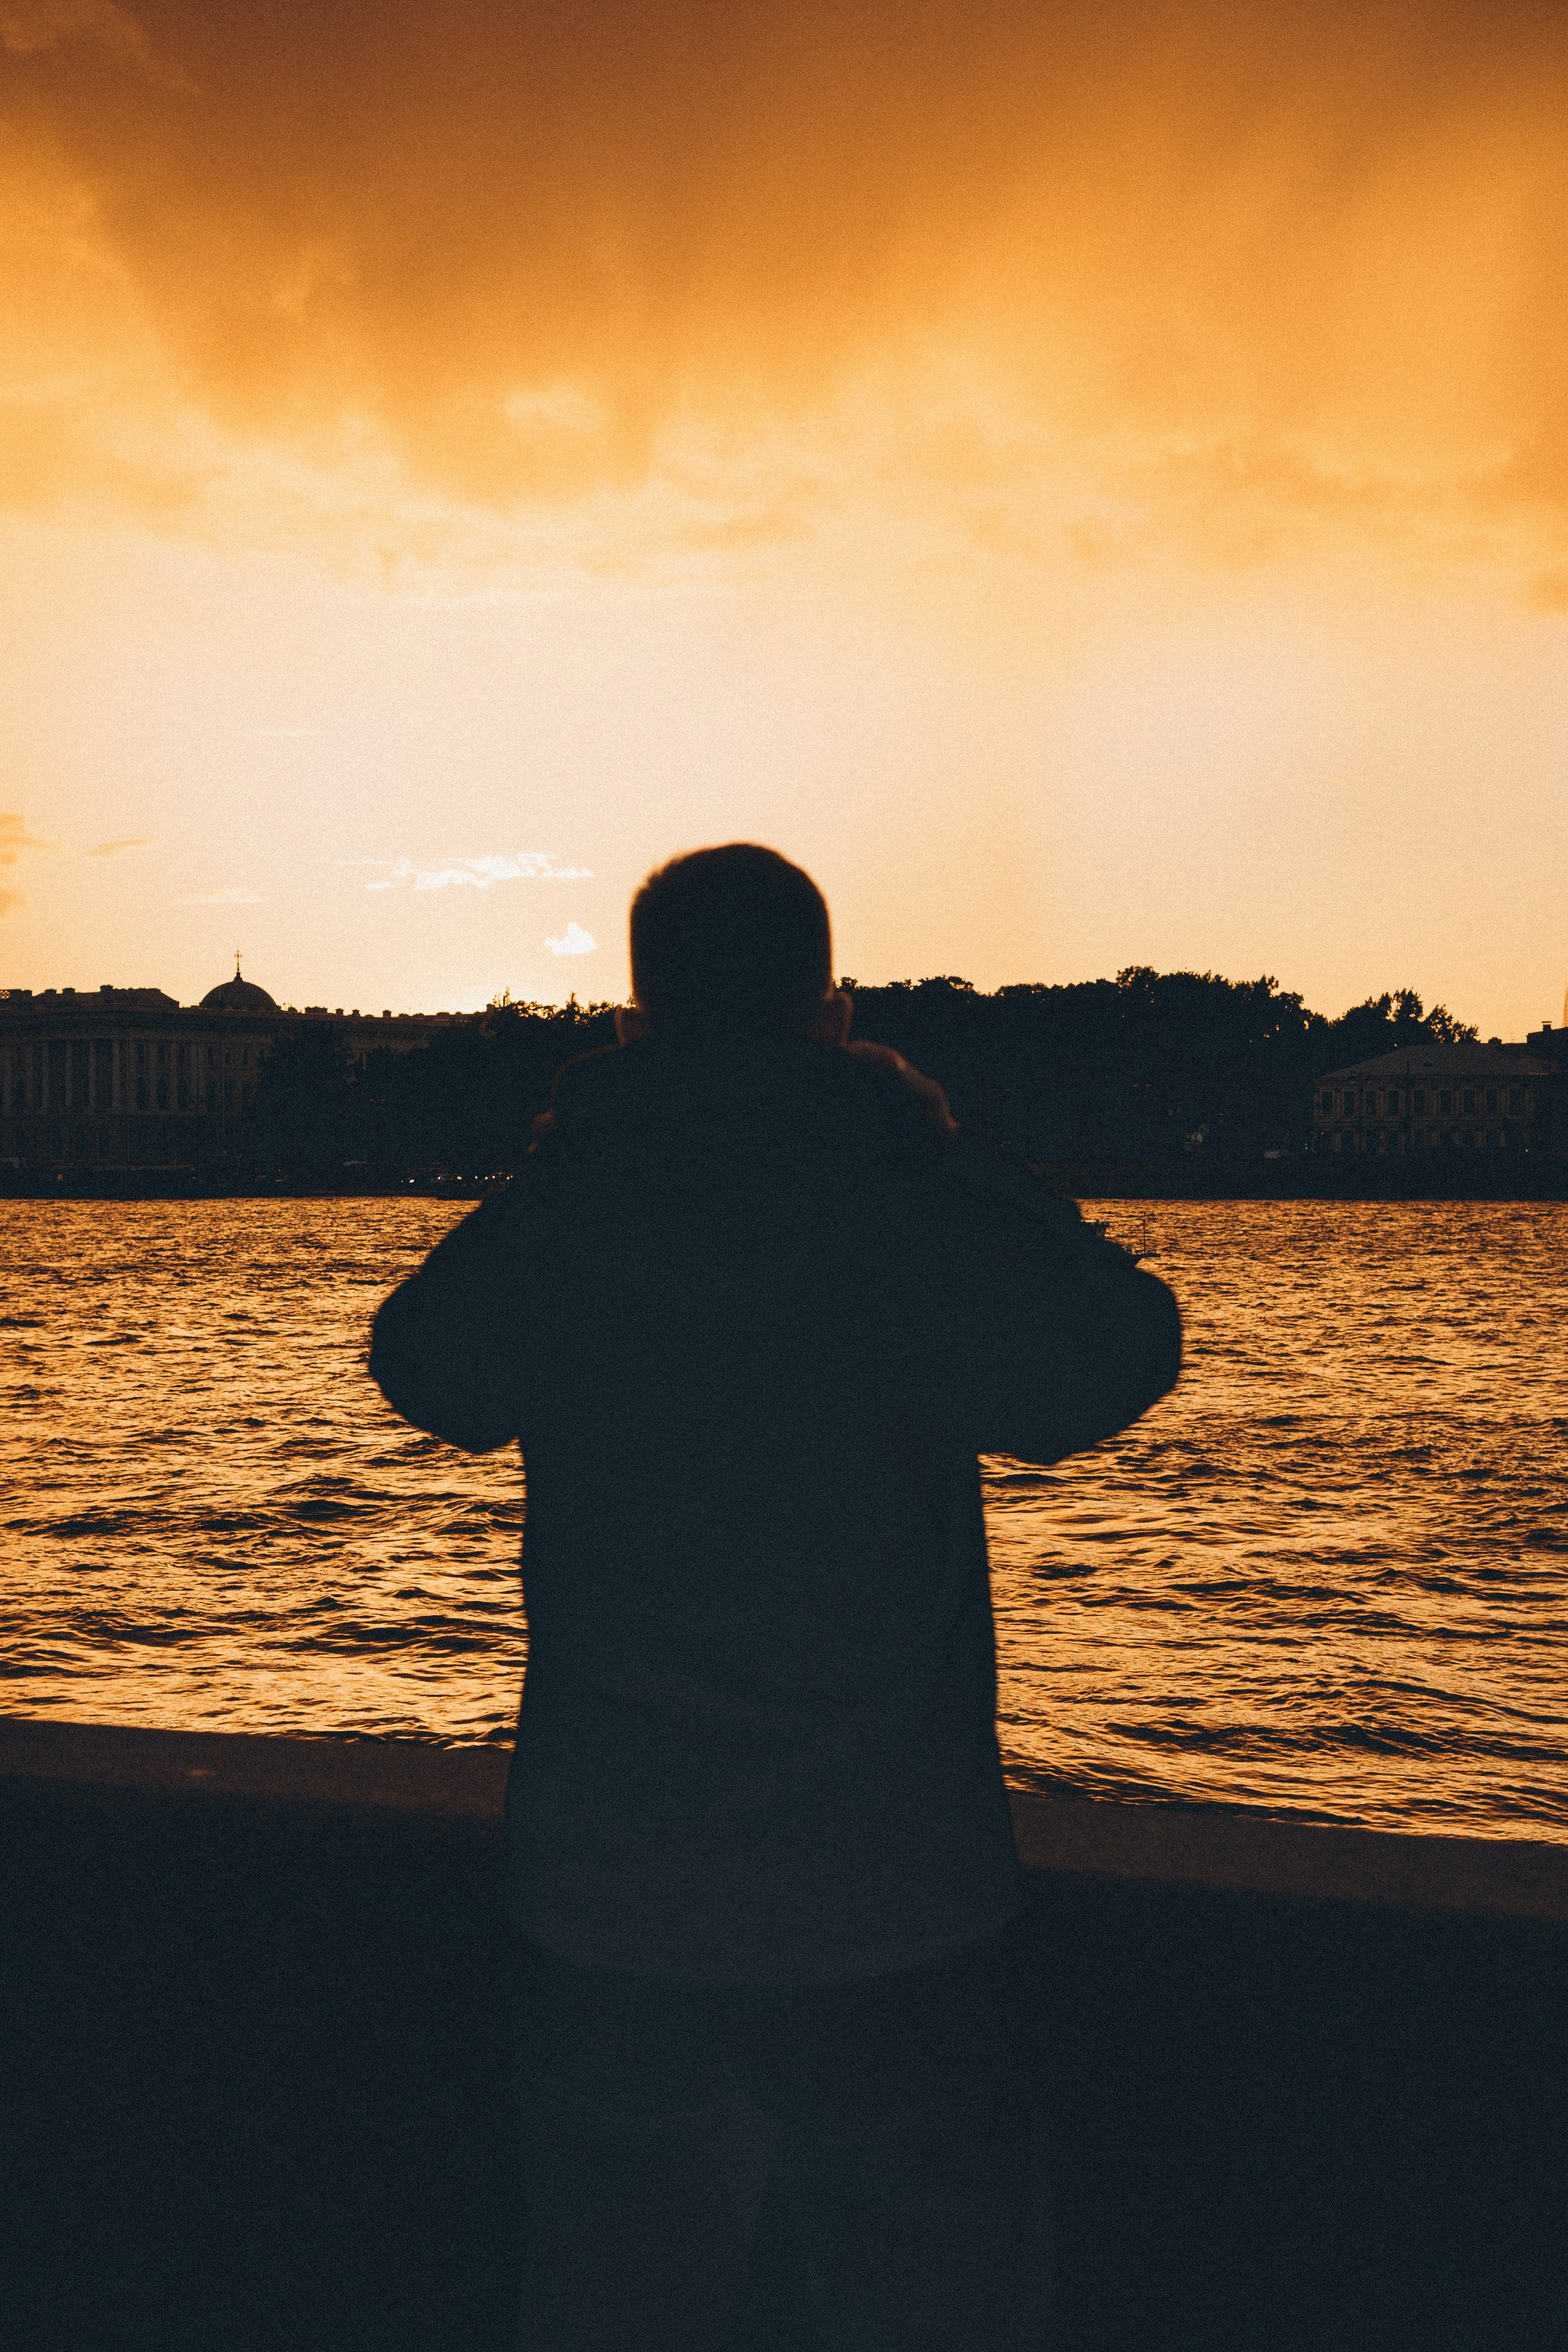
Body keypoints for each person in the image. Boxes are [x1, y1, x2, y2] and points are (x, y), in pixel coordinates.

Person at [369, 845, 1181, 2351]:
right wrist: (933, 1146)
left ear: (634, 1017)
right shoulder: (902, 1202)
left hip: (613, 1901)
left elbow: (426, 1365)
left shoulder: (575, 1209)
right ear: (831, 1011)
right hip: (893, 1895)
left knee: (618, 2302)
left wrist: (574, 1149)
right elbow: (1116, 1354)